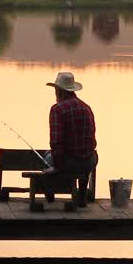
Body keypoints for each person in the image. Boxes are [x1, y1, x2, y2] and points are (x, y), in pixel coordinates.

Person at [41, 71, 97, 208]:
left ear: (59, 91)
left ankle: (50, 195)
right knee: (85, 155)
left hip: (69, 163)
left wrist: (56, 167)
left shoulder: (57, 109)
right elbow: (92, 140)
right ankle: (81, 196)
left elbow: (56, 142)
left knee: (47, 158)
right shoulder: (86, 107)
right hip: (89, 162)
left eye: (55, 90)